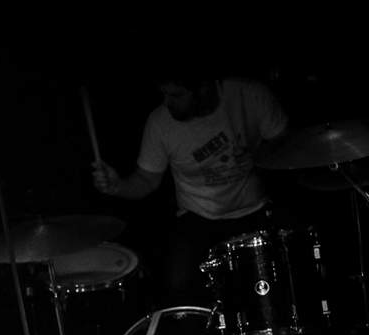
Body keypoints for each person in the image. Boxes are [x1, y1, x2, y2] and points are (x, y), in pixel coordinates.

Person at [92, 71, 289, 305]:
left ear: (204, 87)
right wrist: (118, 186)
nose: (167, 102)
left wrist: (260, 156)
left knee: (281, 280)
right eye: (164, 93)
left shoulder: (249, 95)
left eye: (175, 95)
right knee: (178, 288)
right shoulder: (160, 123)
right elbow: (147, 181)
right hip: (198, 217)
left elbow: (287, 144)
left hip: (256, 209)